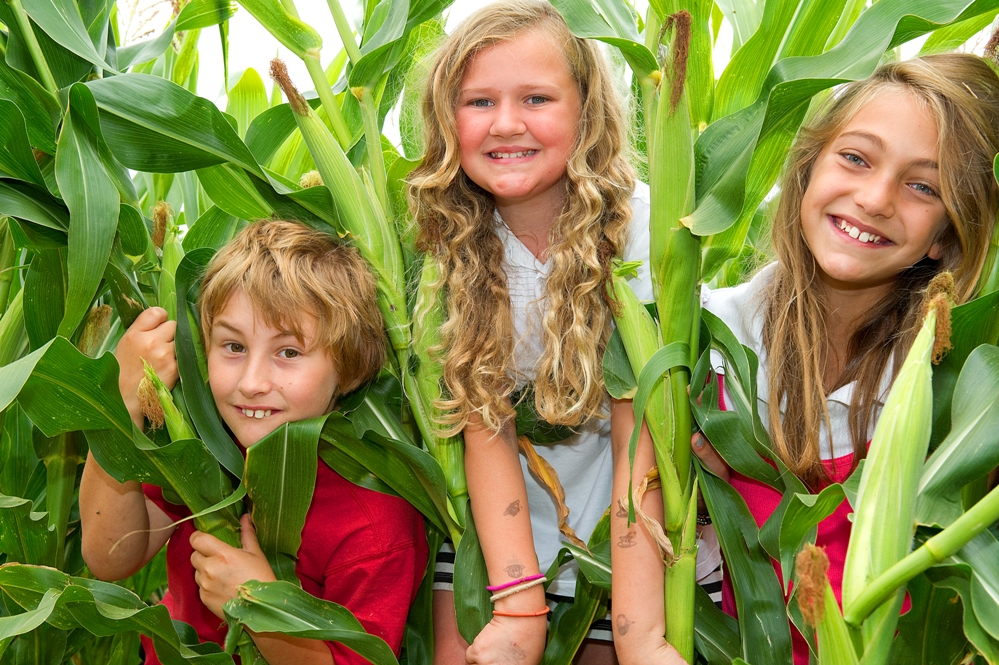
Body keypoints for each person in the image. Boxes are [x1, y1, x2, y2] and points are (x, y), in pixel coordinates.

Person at [612, 53, 999, 665]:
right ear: (806, 170)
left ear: (948, 235)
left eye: (923, 186)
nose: (874, 198)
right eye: (855, 158)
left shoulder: (966, 395)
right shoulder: (706, 349)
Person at [407, 1, 698, 662]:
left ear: (587, 109)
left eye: (535, 97)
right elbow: (481, 418)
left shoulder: (642, 231)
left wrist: (640, 633)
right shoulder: (452, 238)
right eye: (477, 101)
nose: (506, 123)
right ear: (445, 118)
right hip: (494, 537)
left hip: (622, 538)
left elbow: (641, 439)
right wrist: (517, 606)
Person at [80, 221, 429, 665]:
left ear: (352, 366)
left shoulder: (375, 520)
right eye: (233, 346)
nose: (252, 383)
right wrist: (119, 407)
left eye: (288, 352)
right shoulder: (203, 442)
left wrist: (258, 606)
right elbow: (110, 558)